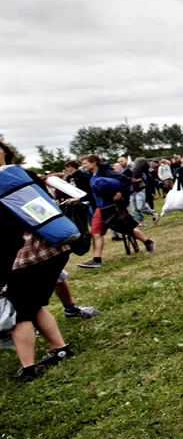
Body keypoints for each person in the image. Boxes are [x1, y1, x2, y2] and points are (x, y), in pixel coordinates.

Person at [0, 143, 75, 382]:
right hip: (48, 248)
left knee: (20, 312)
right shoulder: (24, 175)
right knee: (33, 306)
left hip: (25, 252)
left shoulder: (20, 177)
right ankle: (59, 347)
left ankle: (28, 369)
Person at [75, 154, 155, 269]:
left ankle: (148, 242)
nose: (83, 166)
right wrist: (79, 199)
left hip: (113, 207)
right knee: (95, 232)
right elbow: (93, 194)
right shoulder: (92, 176)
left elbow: (126, 181)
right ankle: (96, 260)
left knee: (125, 228)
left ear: (93, 163)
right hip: (100, 208)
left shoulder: (107, 173)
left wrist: (120, 193)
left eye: (85, 163)